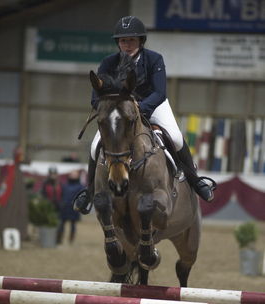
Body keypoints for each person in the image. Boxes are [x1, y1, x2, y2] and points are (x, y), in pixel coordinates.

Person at [74, 16, 215, 214]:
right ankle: (89, 192)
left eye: (132, 40)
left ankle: (195, 180)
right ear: (118, 43)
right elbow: (96, 97)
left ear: (141, 40)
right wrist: (110, 109)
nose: (127, 44)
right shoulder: (108, 63)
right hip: (119, 111)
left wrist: (139, 107)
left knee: (174, 137)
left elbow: (159, 92)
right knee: (95, 145)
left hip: (153, 104)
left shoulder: (154, 59)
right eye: (123, 41)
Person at [57, 171, 85, 244]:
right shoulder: (64, 185)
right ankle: (59, 238)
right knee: (61, 224)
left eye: (74, 175)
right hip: (64, 207)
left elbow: (81, 197)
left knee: (73, 224)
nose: (73, 176)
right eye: (71, 174)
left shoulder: (80, 186)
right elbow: (61, 195)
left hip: (74, 208)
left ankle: (71, 239)